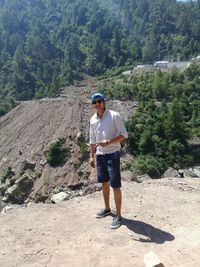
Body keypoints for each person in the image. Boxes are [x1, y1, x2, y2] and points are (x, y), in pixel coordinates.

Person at [89, 93, 128, 229]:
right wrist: (92, 156)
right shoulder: (92, 120)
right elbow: (92, 140)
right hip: (100, 155)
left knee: (115, 185)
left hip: (112, 154)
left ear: (104, 102)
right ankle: (107, 209)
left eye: (99, 101)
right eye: (95, 102)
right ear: (93, 105)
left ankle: (118, 215)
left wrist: (109, 142)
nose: (97, 104)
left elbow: (124, 134)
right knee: (104, 183)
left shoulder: (114, 116)